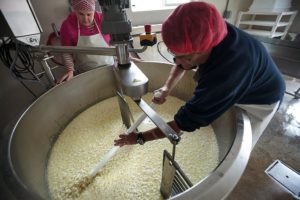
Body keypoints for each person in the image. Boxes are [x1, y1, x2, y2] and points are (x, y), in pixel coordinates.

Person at [114, 1, 285, 149]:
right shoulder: (211, 29)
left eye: (185, 56)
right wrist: (166, 88)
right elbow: (183, 62)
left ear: (205, 48)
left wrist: (140, 138)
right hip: (243, 79)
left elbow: (185, 121)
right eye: (176, 54)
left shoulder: (223, 76)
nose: (178, 61)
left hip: (260, 100)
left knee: (242, 143)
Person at [57, 0, 141, 83]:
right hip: (85, 73)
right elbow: (66, 51)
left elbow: (118, 42)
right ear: (75, 11)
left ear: (94, 10)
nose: (85, 19)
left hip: (110, 68)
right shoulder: (67, 26)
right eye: (81, 14)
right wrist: (70, 70)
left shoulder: (103, 19)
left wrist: (128, 57)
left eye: (89, 14)